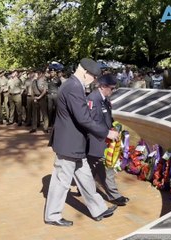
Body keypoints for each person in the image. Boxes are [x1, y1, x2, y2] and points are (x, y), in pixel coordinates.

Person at [44, 58, 119, 227]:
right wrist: (106, 132)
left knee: (85, 178)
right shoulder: (73, 87)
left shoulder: (74, 85)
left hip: (75, 144)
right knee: (61, 181)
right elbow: (83, 118)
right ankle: (53, 215)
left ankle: (98, 209)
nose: (94, 81)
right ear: (85, 72)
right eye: (94, 76)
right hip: (69, 143)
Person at [86, 74, 130, 206]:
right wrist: (107, 133)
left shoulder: (104, 99)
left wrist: (114, 127)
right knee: (106, 168)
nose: (113, 91)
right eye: (111, 88)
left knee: (93, 168)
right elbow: (91, 123)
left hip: (105, 138)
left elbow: (107, 118)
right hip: (97, 140)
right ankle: (114, 195)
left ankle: (84, 187)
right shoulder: (93, 100)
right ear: (103, 86)